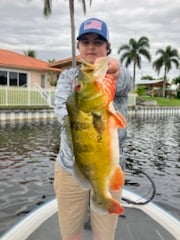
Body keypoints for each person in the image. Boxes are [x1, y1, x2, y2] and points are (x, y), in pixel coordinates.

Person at [54, 17, 132, 240]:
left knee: (105, 236)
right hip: (70, 168)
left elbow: (124, 80)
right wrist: (85, 114)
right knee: (70, 234)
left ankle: (102, 195)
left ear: (107, 48)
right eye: (85, 41)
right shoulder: (68, 76)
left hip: (109, 168)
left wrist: (114, 70)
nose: (91, 46)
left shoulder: (115, 74)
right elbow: (61, 108)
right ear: (78, 47)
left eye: (98, 42)